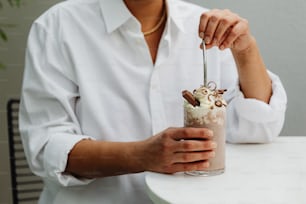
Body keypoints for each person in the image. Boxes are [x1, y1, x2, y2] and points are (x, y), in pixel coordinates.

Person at [19, 0, 287, 203]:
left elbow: (259, 127)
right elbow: (47, 148)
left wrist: (246, 50)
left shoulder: (204, 25)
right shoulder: (58, 27)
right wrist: (142, 155)